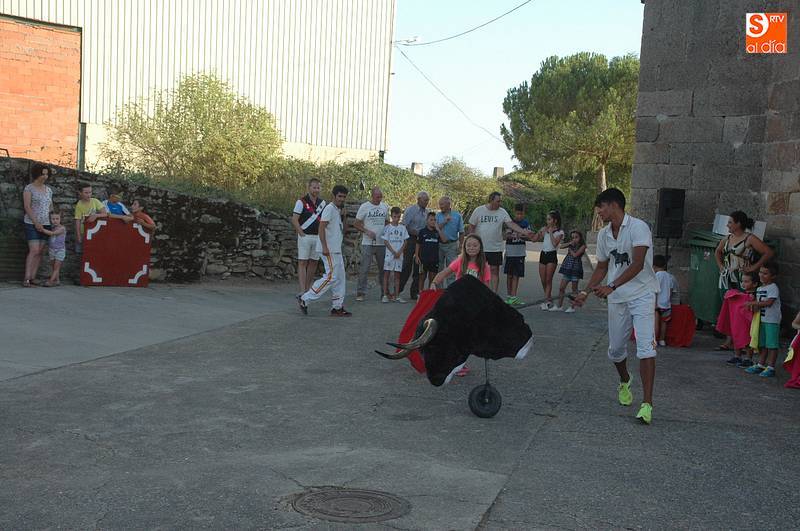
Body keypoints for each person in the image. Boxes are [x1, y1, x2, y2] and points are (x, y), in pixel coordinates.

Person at [573, 188, 660, 425]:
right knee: (615, 350)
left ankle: (647, 404)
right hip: (618, 298)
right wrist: (585, 292)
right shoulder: (603, 235)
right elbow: (601, 267)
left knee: (646, 348)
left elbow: (638, 263)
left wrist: (611, 286)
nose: (599, 212)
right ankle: (625, 380)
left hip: (642, 294)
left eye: (601, 207)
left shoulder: (638, 228)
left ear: (614, 205)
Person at [431, 233, 492, 377]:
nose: (471, 248)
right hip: (457, 303)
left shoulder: (484, 266)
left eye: (475, 245)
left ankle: (458, 362)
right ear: (464, 247)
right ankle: (456, 363)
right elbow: (444, 273)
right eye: (468, 245)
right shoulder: (460, 261)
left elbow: (486, 287)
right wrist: (434, 283)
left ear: (480, 247)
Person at [714, 211, 774, 350]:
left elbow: (768, 252)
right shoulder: (727, 238)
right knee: (729, 309)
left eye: (730, 222)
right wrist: (721, 266)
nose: (728, 225)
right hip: (728, 279)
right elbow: (717, 251)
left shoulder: (749, 238)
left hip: (744, 279)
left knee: (743, 309)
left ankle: (745, 341)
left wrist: (754, 267)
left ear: (738, 223)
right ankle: (730, 341)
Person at [297, 185, 351, 317]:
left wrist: (345, 216)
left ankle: (337, 307)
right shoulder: (329, 209)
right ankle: (305, 298)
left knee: (340, 278)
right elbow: (321, 228)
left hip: (336, 249)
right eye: (339, 196)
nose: (341, 199)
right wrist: (324, 246)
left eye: (344, 197)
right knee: (331, 277)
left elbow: (343, 230)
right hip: (328, 249)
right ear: (334, 196)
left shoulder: (338, 211)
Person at [468, 191, 532, 293]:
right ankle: (478, 293)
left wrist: (524, 231)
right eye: (498, 201)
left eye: (500, 201)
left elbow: (511, 224)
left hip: (495, 247)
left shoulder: (502, 212)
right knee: (479, 270)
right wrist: (471, 241)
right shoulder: (479, 210)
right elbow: (471, 225)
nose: (500, 203)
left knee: (494, 270)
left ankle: (493, 294)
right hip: (480, 247)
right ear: (491, 200)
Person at [745, 262, 782, 377]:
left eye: (765, 273)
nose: (761, 275)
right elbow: (759, 303)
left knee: (772, 344)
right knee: (762, 344)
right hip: (761, 320)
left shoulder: (773, 288)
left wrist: (754, 303)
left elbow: (769, 302)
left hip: (772, 320)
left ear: (773, 276)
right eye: (760, 272)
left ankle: (771, 367)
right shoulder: (760, 288)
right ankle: (761, 364)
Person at [291, 178, 326, 294]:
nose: (316, 190)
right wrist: (301, 233)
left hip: (317, 237)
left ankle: (307, 288)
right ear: (309, 188)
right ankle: (302, 290)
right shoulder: (301, 202)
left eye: (318, 187)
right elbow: (294, 219)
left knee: (314, 262)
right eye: (314, 187)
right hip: (305, 236)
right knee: (302, 262)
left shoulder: (323, 203)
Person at [355, 187, 389, 301]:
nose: (379, 199)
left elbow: (387, 222)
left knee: (383, 268)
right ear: (372, 196)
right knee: (365, 268)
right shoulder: (364, 207)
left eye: (381, 197)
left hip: (381, 243)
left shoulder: (385, 207)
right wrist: (366, 231)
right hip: (367, 242)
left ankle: (384, 292)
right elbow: (356, 223)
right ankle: (361, 292)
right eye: (377, 197)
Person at [718, 271, 759, 367]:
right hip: (739, 320)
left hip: (749, 321)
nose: (743, 284)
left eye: (746, 281)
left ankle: (748, 358)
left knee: (747, 339)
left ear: (755, 284)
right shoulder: (742, 294)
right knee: (737, 336)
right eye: (742, 281)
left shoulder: (756, 295)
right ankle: (737, 356)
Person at [22, 163, 53, 287]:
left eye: (46, 174)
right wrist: (36, 223)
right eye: (42, 174)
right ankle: (26, 278)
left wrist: (53, 220)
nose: (45, 176)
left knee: (40, 251)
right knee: (34, 250)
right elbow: (27, 206)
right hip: (31, 223)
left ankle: (33, 277)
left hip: (46, 223)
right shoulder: (29, 188)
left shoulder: (49, 190)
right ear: (36, 174)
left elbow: (50, 206)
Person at [399, 191, 429, 300]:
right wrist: (412, 232)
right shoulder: (411, 210)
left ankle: (414, 292)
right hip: (411, 239)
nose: (427, 202)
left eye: (428, 200)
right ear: (419, 199)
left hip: (421, 241)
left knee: (418, 265)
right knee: (406, 264)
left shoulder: (427, 212)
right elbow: (404, 225)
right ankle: (398, 290)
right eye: (425, 200)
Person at [536, 210, 565, 311]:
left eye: (549, 219)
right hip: (543, 254)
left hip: (552, 255)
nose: (547, 221)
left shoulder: (560, 232)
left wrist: (551, 232)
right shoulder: (545, 229)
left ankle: (546, 302)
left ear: (555, 221)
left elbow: (554, 244)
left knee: (548, 279)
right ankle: (548, 298)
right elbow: (535, 239)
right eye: (547, 219)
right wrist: (540, 231)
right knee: (543, 280)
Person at [381, 207, 410, 303]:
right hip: (390, 255)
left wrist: (400, 252)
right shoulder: (388, 228)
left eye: (398, 217)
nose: (396, 219)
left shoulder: (403, 228)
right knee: (387, 274)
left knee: (397, 275)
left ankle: (397, 295)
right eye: (394, 217)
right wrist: (393, 252)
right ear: (391, 216)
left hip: (399, 255)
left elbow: (405, 241)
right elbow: (385, 241)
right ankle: (385, 295)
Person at [503, 204, 530, 305]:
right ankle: (509, 296)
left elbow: (529, 236)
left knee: (516, 275)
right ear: (514, 212)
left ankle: (514, 296)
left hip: (520, 252)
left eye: (521, 214)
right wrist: (519, 234)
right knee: (509, 275)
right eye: (517, 214)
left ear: (524, 213)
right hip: (510, 252)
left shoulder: (526, 223)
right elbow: (507, 235)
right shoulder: (510, 222)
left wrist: (521, 235)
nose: (519, 216)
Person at [435, 196, 464, 288]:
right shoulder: (437, 215)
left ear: (448, 204)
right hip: (439, 245)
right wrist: (445, 221)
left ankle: (450, 290)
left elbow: (462, 232)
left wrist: (460, 246)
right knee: (439, 268)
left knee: (451, 269)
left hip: (452, 245)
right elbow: (435, 229)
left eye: (442, 204)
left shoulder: (457, 216)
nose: (440, 206)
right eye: (440, 204)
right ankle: (439, 291)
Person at [556, 230, 586, 313]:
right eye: (572, 237)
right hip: (567, 267)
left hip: (576, 268)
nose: (574, 239)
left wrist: (570, 250)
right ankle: (559, 306)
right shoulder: (571, 244)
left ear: (580, 238)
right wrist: (569, 244)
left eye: (576, 237)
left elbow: (575, 255)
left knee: (574, 289)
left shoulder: (583, 246)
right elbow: (561, 246)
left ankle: (572, 307)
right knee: (561, 288)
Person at [73, 183, 107, 255]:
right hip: (83, 232)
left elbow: (105, 213)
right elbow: (77, 220)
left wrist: (96, 215)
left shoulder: (95, 201)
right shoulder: (79, 204)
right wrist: (78, 235)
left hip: (94, 232)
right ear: (80, 193)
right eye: (86, 193)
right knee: (81, 253)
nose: (89, 195)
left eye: (90, 192)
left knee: (92, 253)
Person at [415, 212, 444, 294]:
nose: (433, 221)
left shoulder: (437, 232)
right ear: (427, 220)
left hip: (434, 259)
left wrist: (438, 229)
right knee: (422, 277)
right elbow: (418, 244)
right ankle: (420, 294)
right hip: (423, 259)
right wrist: (416, 256)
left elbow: (444, 240)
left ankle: (429, 295)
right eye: (431, 220)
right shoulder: (422, 231)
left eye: (435, 220)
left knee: (432, 278)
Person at [653, 255, 677, 347]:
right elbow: (671, 290)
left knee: (655, 323)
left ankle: (654, 340)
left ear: (654, 266)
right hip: (666, 305)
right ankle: (662, 340)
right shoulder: (670, 276)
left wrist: (654, 304)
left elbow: (655, 291)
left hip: (658, 304)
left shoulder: (657, 276)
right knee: (664, 323)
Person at [39, 211, 66, 287]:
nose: (55, 220)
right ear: (50, 219)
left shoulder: (62, 228)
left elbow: (52, 234)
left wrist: (42, 229)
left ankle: (50, 281)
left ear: (60, 219)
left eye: (57, 219)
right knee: (54, 267)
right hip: (52, 250)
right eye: (53, 219)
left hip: (60, 250)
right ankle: (57, 281)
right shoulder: (52, 228)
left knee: (56, 267)